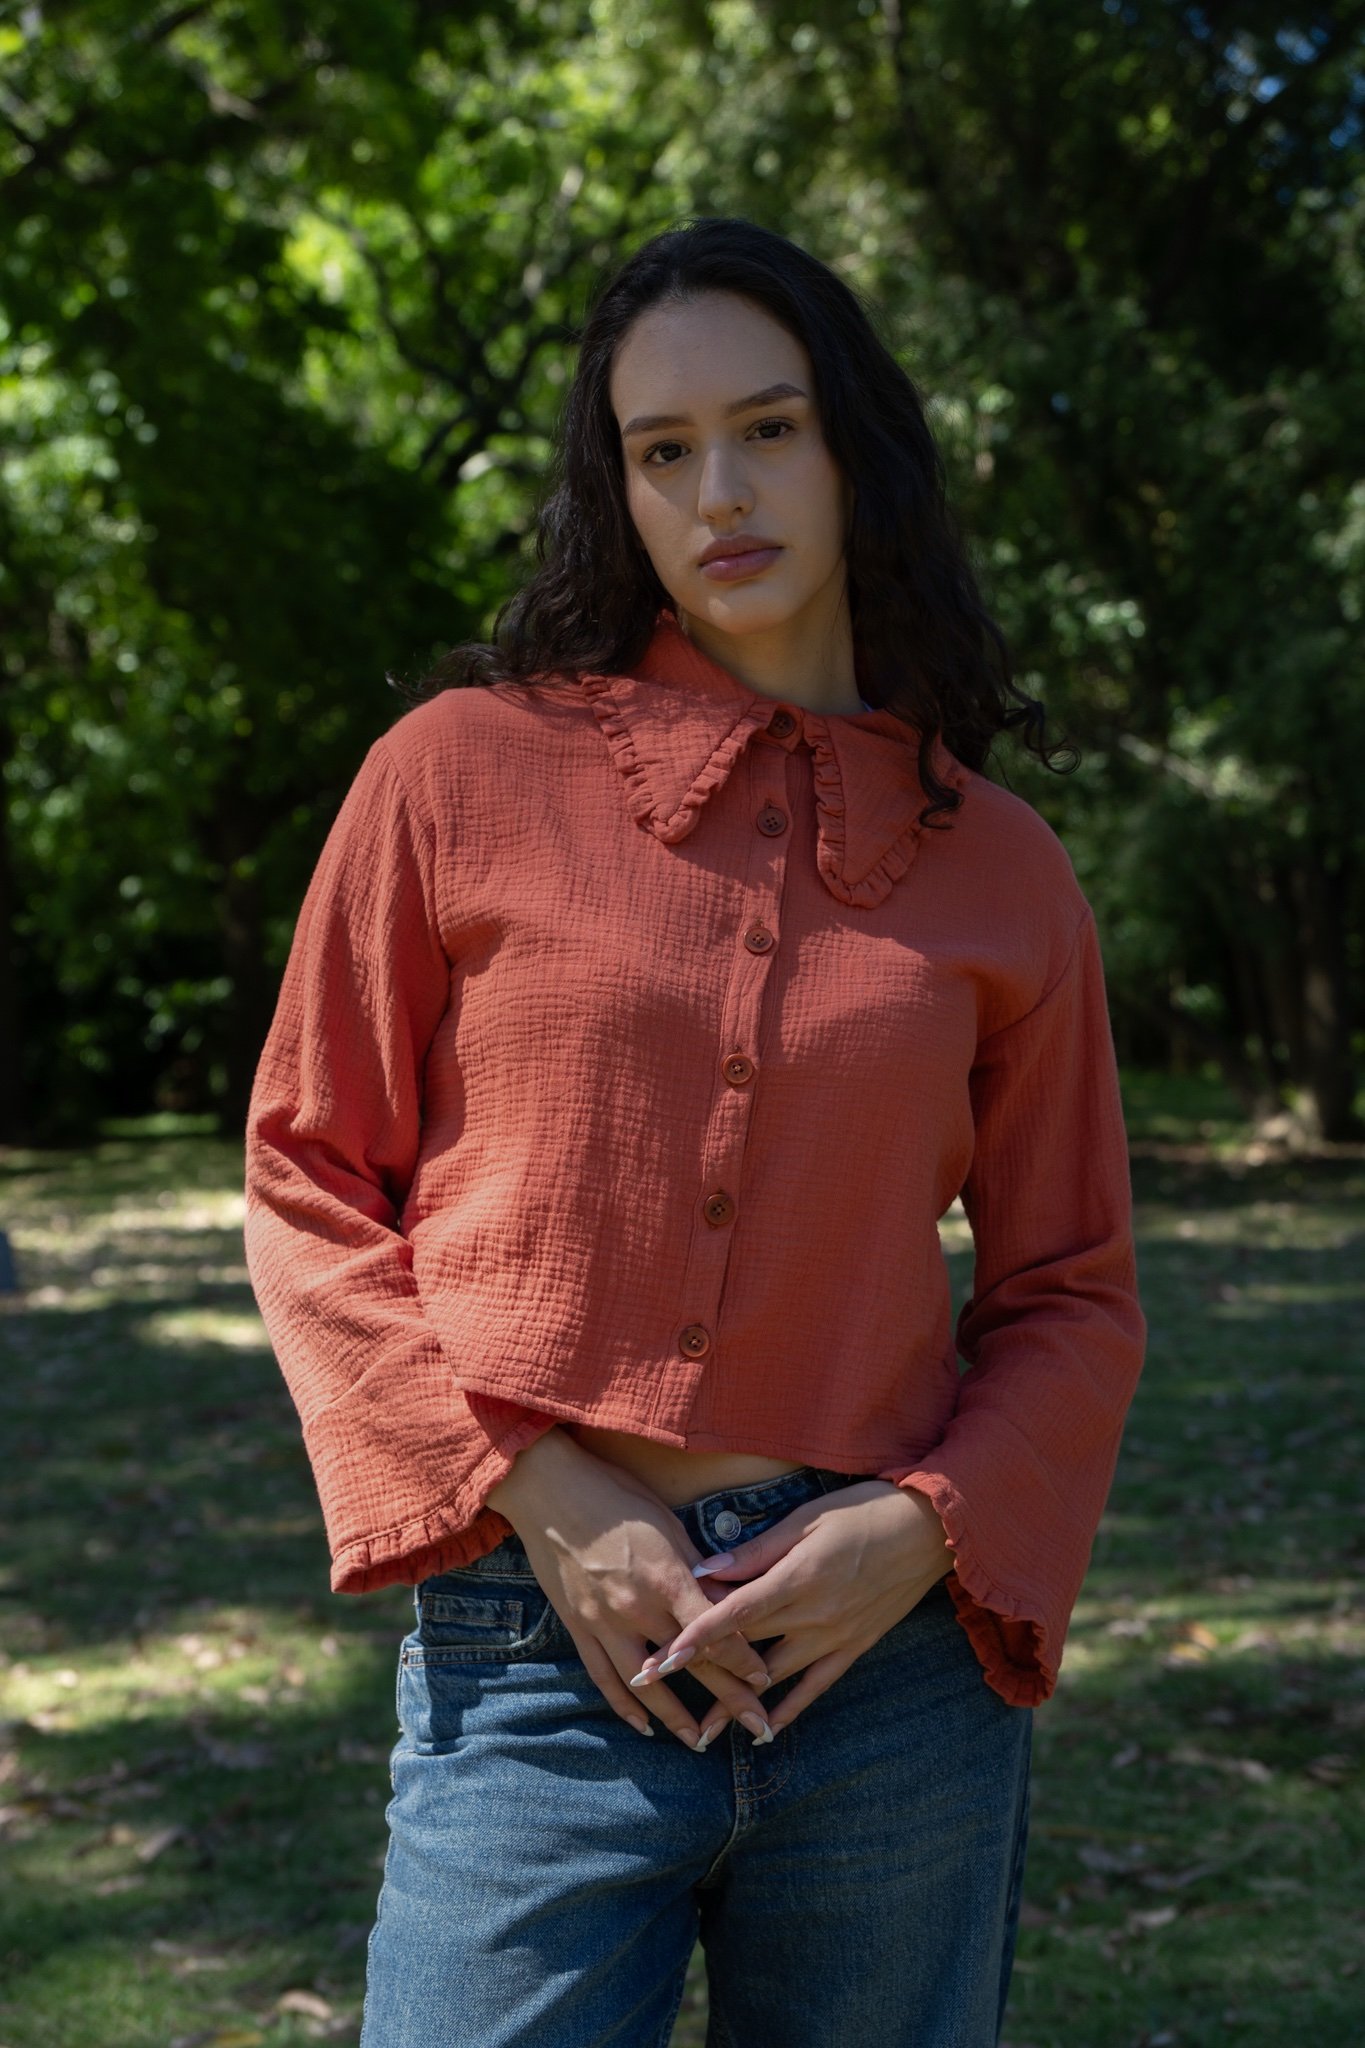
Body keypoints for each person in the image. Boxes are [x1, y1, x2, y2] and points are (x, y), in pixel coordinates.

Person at [243, 215, 1147, 2048]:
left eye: (767, 430)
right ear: (619, 490)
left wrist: (924, 1528)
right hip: (533, 1646)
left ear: (853, 450)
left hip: (887, 1678)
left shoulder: (1003, 869)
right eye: (662, 451)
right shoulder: (454, 773)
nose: (717, 493)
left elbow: (1071, 1288)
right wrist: (536, 1488)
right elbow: (305, 1173)